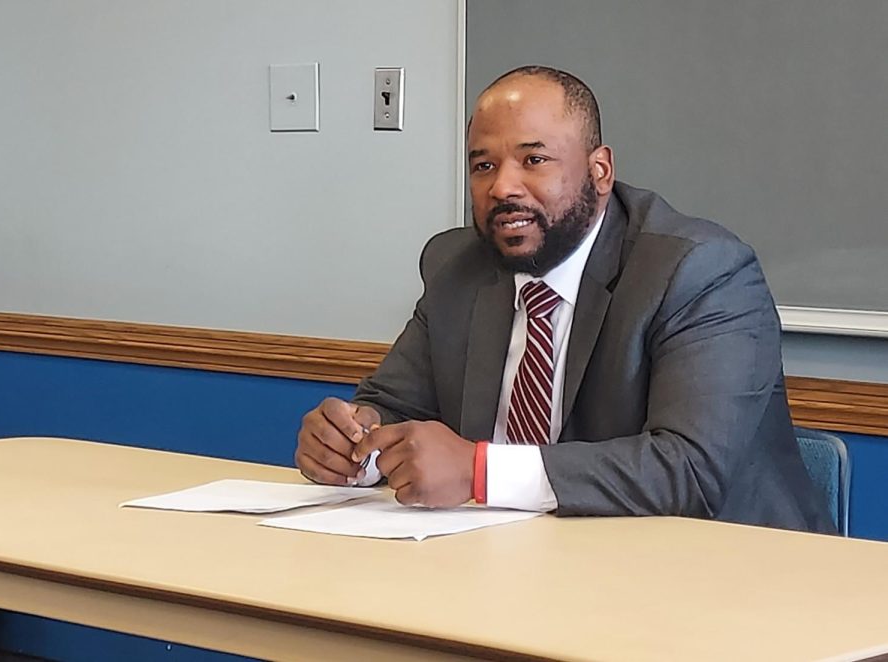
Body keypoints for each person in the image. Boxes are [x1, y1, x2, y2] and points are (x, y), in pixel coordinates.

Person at [296, 65, 834, 533]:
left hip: (723, 578)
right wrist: (353, 443)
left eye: (534, 160)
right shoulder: (456, 266)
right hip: (519, 560)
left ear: (600, 171)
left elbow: (687, 470)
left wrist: (479, 471)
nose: (503, 187)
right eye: (483, 165)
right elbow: (394, 405)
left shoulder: (699, 269)